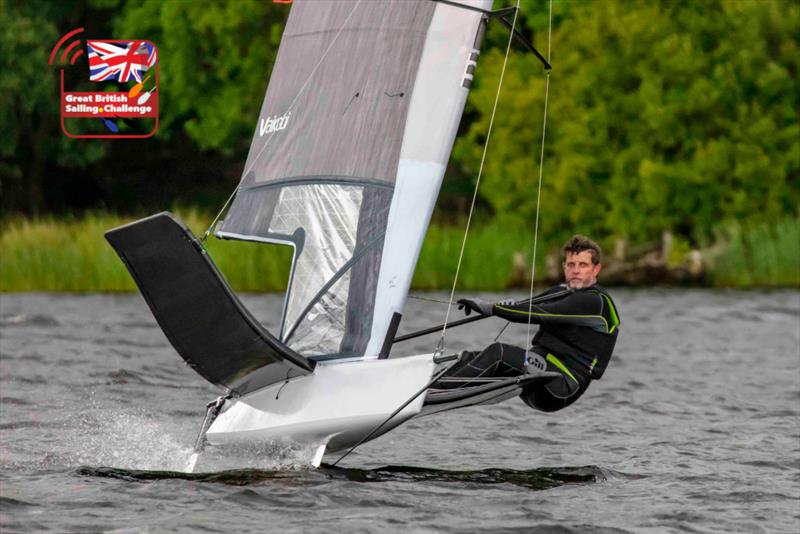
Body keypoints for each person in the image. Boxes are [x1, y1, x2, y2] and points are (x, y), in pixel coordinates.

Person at [438, 234, 621, 412]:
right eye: (571, 264)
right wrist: (500, 305)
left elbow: (537, 313)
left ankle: (439, 391)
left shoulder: (595, 302)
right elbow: (526, 306)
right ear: (564, 267)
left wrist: (490, 308)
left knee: (498, 352)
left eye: (583, 265)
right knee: (471, 356)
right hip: (540, 372)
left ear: (596, 269)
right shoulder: (562, 290)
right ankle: (430, 384)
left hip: (560, 384)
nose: (575, 270)